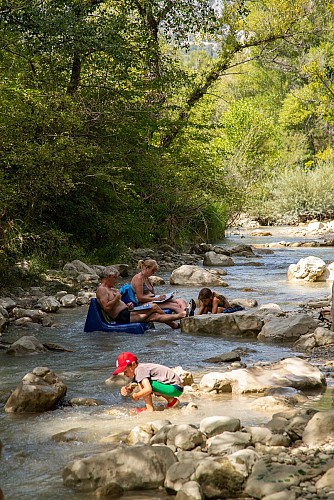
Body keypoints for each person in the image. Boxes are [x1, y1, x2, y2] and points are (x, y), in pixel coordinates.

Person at [96, 267, 186, 329]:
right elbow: (107, 308)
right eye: (115, 278)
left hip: (128, 312)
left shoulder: (111, 289)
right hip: (123, 317)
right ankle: (182, 316)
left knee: (154, 316)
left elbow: (117, 305)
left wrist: (128, 306)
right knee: (153, 306)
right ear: (109, 277)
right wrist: (117, 298)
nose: (116, 281)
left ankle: (176, 324)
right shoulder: (102, 290)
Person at [113, 351, 183, 412]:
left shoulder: (140, 370)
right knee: (144, 383)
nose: (124, 374)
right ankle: (172, 401)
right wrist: (128, 389)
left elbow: (148, 389)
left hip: (174, 387)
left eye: (125, 371)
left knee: (145, 385)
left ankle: (149, 409)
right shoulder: (139, 369)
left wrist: (136, 395)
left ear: (134, 364)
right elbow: (134, 384)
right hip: (175, 387)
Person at [131, 258, 195, 316]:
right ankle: (186, 316)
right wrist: (156, 299)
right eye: (152, 270)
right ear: (146, 268)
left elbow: (152, 294)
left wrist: (166, 297)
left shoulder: (148, 279)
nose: (153, 273)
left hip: (152, 300)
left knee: (181, 301)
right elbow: (140, 298)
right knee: (174, 306)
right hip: (142, 304)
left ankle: (187, 313)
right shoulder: (139, 278)